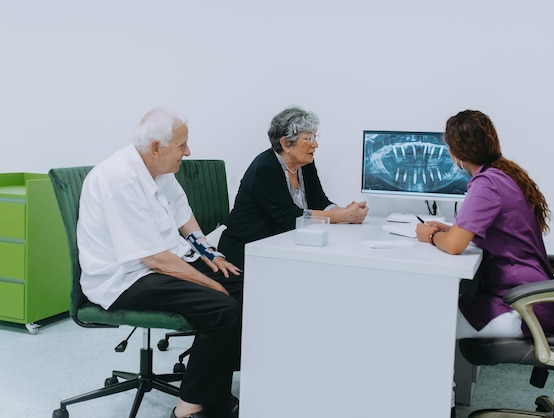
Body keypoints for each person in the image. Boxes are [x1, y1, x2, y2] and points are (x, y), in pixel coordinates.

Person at [77, 108, 243, 418]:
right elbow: (152, 258)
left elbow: (184, 216)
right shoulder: (120, 178)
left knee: (244, 285)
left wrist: (210, 254)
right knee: (223, 307)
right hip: (125, 279)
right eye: (182, 146)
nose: (188, 152)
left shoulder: (158, 169)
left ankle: (215, 387)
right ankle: (189, 406)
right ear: (156, 147)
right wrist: (211, 283)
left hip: (161, 262)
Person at [416, 109, 554, 339]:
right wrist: (450, 230)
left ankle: (443, 376)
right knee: (441, 311)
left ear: (456, 154)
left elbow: (454, 246)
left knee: (427, 327)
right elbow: (492, 231)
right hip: (530, 297)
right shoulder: (502, 174)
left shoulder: (487, 184)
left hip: (522, 307)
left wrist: (429, 235)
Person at [218, 106, 369, 268]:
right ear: (286, 144)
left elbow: (319, 201)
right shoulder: (265, 167)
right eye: (308, 138)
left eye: (315, 136)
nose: (316, 144)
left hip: (281, 246)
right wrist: (344, 216)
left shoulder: (304, 164)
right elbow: (290, 217)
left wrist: (344, 211)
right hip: (245, 251)